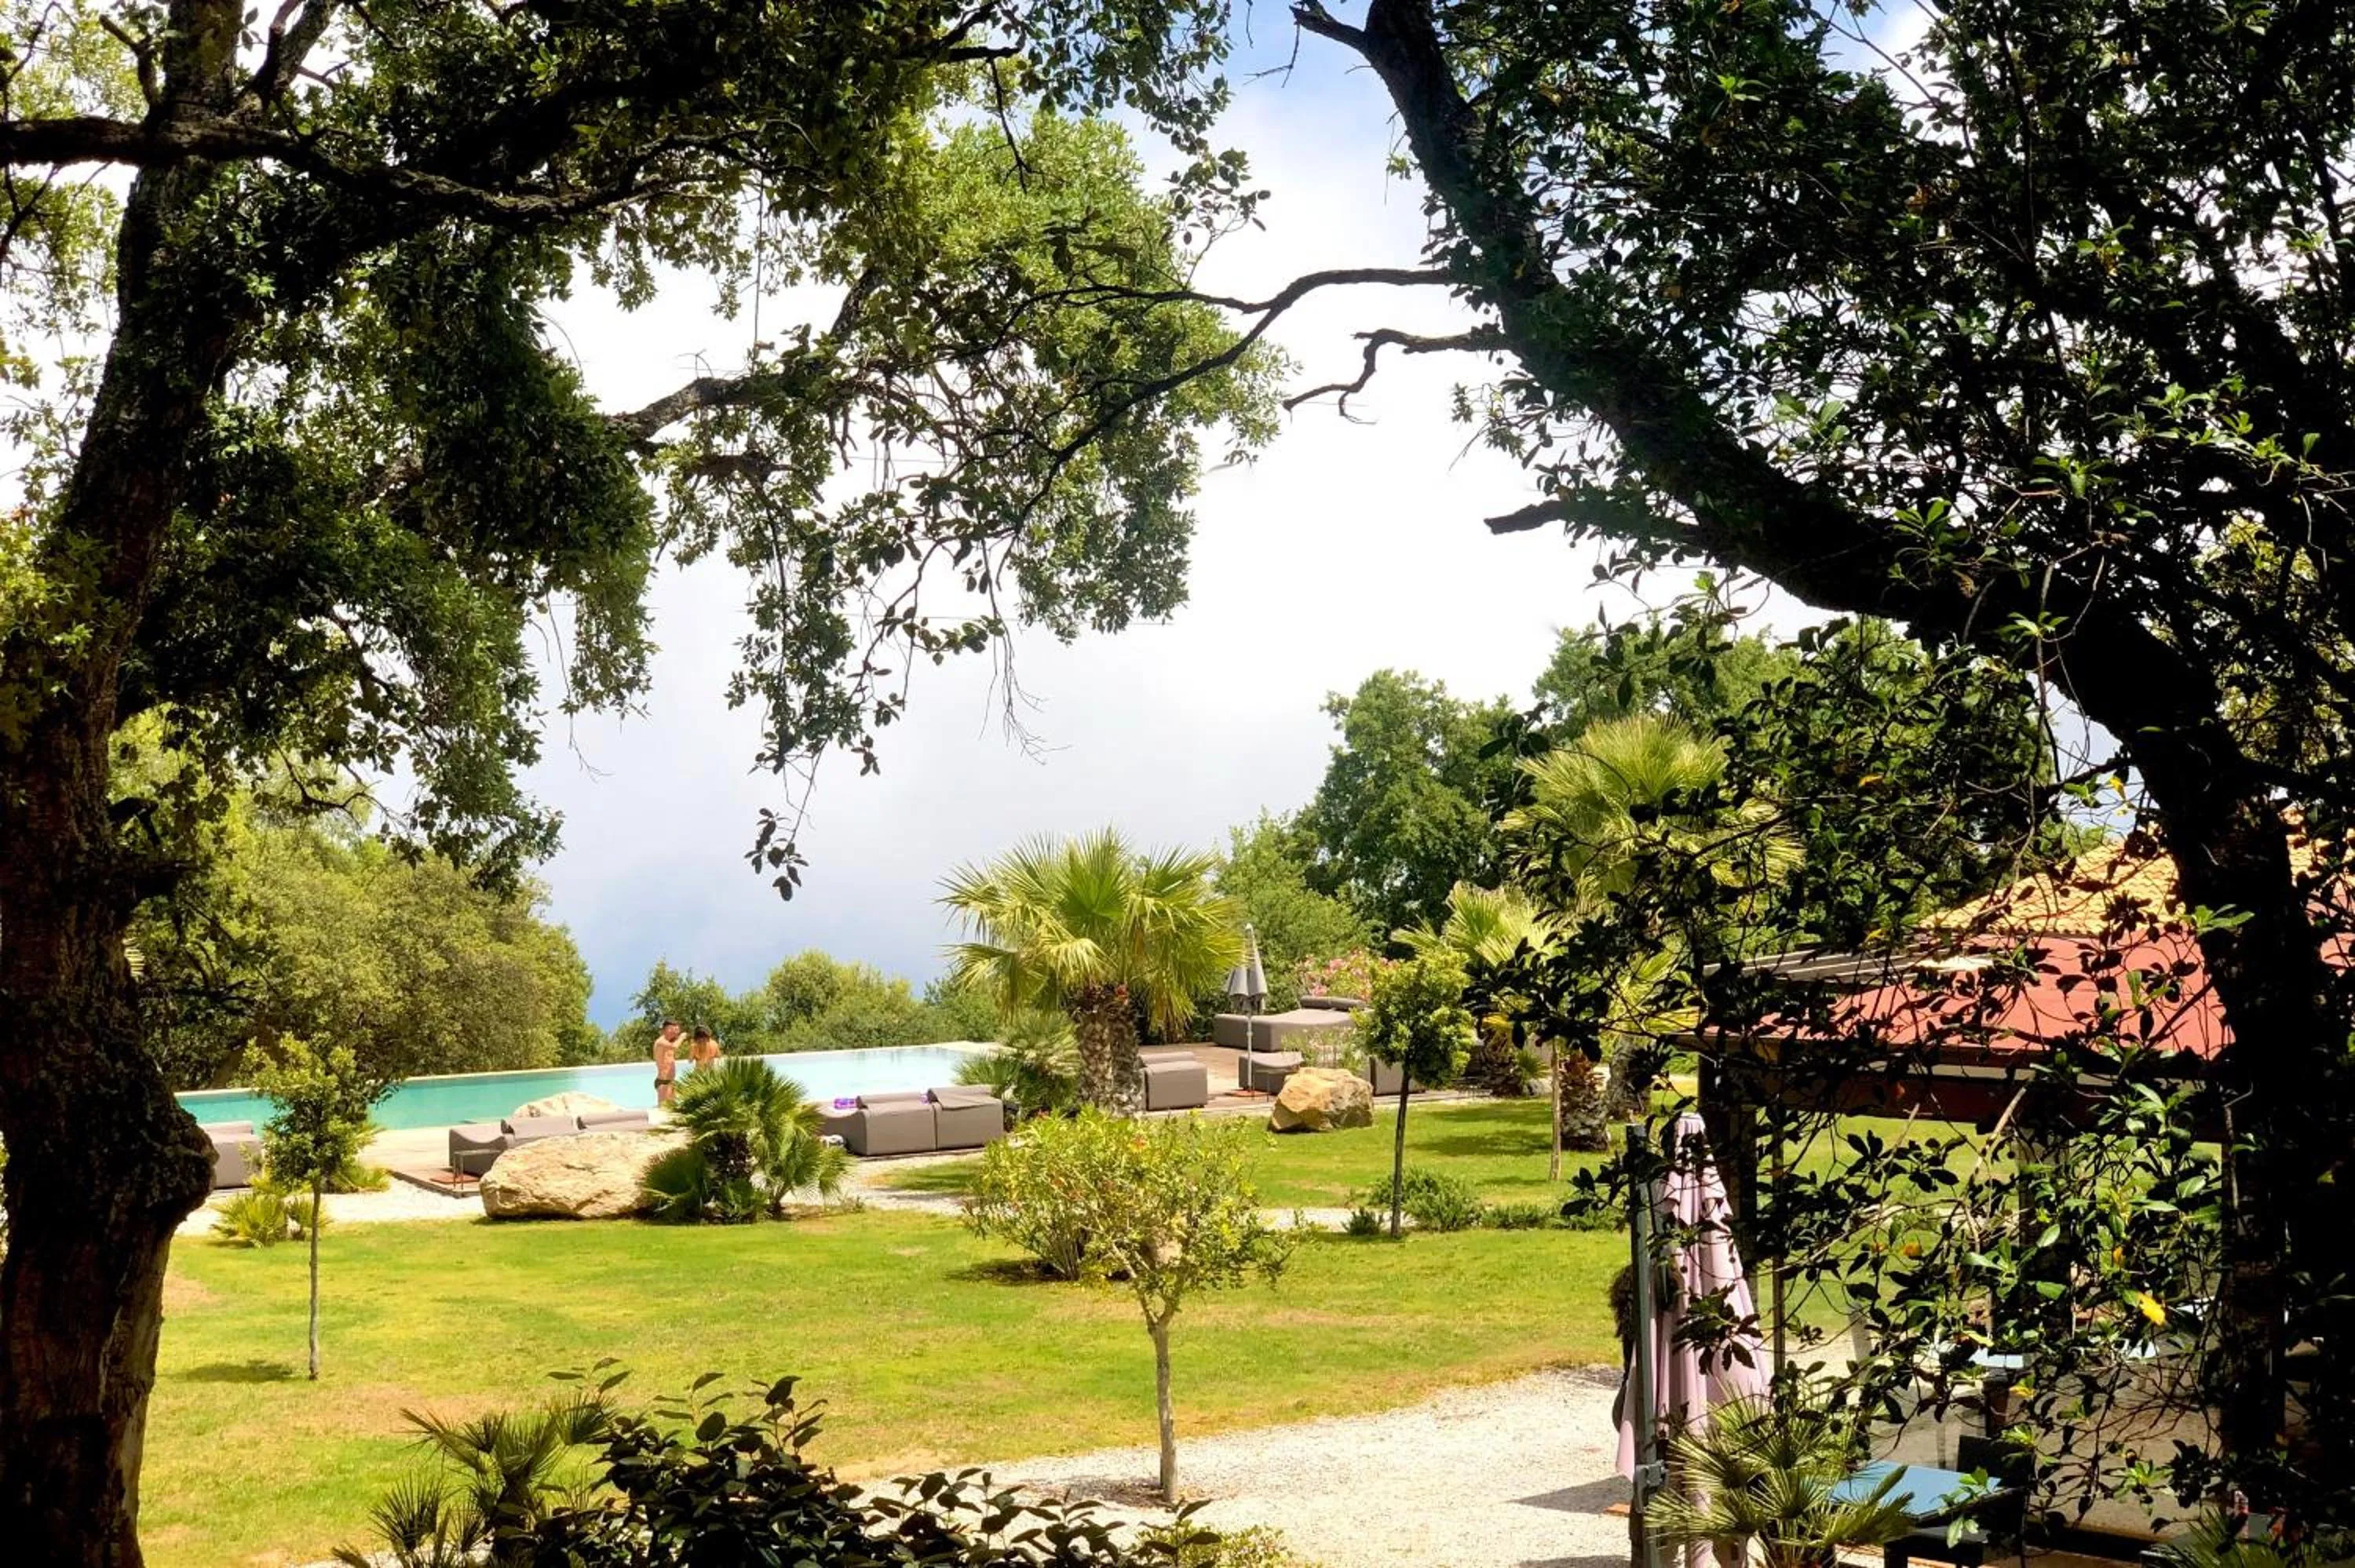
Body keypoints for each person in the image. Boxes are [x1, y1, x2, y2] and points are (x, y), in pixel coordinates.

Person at [652, 1019, 682, 1107]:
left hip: (670, 1082)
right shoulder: (661, 1042)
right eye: (674, 1030)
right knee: (664, 1110)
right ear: (667, 1029)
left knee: (673, 1109)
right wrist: (682, 1038)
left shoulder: (668, 1043)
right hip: (663, 1082)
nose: (676, 1033)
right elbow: (675, 1047)